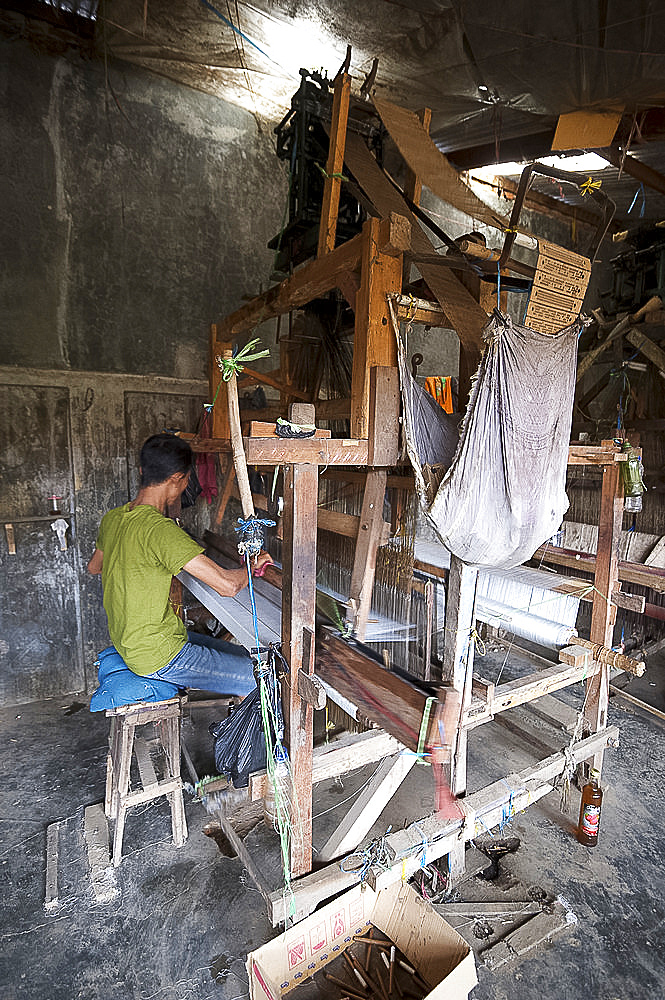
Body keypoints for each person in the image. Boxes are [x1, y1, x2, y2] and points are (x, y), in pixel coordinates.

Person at [87, 433, 273, 696]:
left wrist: (134, 565)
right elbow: (229, 586)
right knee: (265, 679)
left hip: (133, 642)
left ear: (142, 471)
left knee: (258, 660)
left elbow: (94, 567)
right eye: (187, 479)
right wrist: (253, 566)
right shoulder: (160, 530)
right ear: (178, 478)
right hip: (158, 657)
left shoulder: (114, 518)